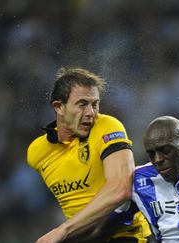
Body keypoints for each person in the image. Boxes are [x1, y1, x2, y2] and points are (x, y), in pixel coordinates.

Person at [27, 67, 151, 243]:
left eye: (95, 104)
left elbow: (120, 188)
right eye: (82, 104)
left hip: (126, 236)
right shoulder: (37, 153)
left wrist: (63, 230)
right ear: (59, 107)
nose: (91, 113)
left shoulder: (107, 126)